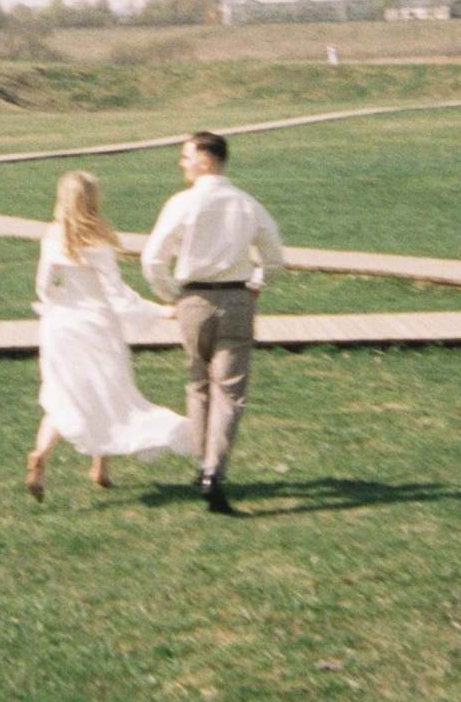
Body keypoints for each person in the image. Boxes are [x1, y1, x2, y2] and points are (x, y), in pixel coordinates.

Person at [26, 171, 195, 501]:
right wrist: (159, 311)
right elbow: (116, 294)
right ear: (93, 200)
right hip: (97, 325)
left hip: (60, 325)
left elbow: (43, 286)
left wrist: (59, 303)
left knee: (65, 394)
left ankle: (44, 454)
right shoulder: (99, 241)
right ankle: (100, 467)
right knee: (109, 392)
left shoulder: (52, 236)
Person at [141, 130, 286, 515]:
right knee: (230, 390)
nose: (181, 162)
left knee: (199, 382)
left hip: (193, 300)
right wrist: (256, 285)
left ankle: (202, 465)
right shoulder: (246, 204)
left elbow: (153, 259)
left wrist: (174, 294)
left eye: (186, 156)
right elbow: (273, 257)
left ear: (206, 159)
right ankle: (213, 472)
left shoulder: (181, 204)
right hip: (236, 300)